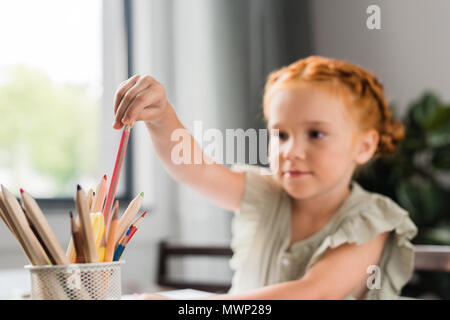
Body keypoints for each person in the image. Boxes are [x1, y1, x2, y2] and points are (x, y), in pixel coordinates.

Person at [112, 56, 418, 300]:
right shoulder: (266, 193)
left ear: (364, 146)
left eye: (316, 134)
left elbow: (313, 294)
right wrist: (161, 115)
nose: (291, 151)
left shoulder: (371, 220)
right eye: (281, 134)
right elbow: (194, 169)